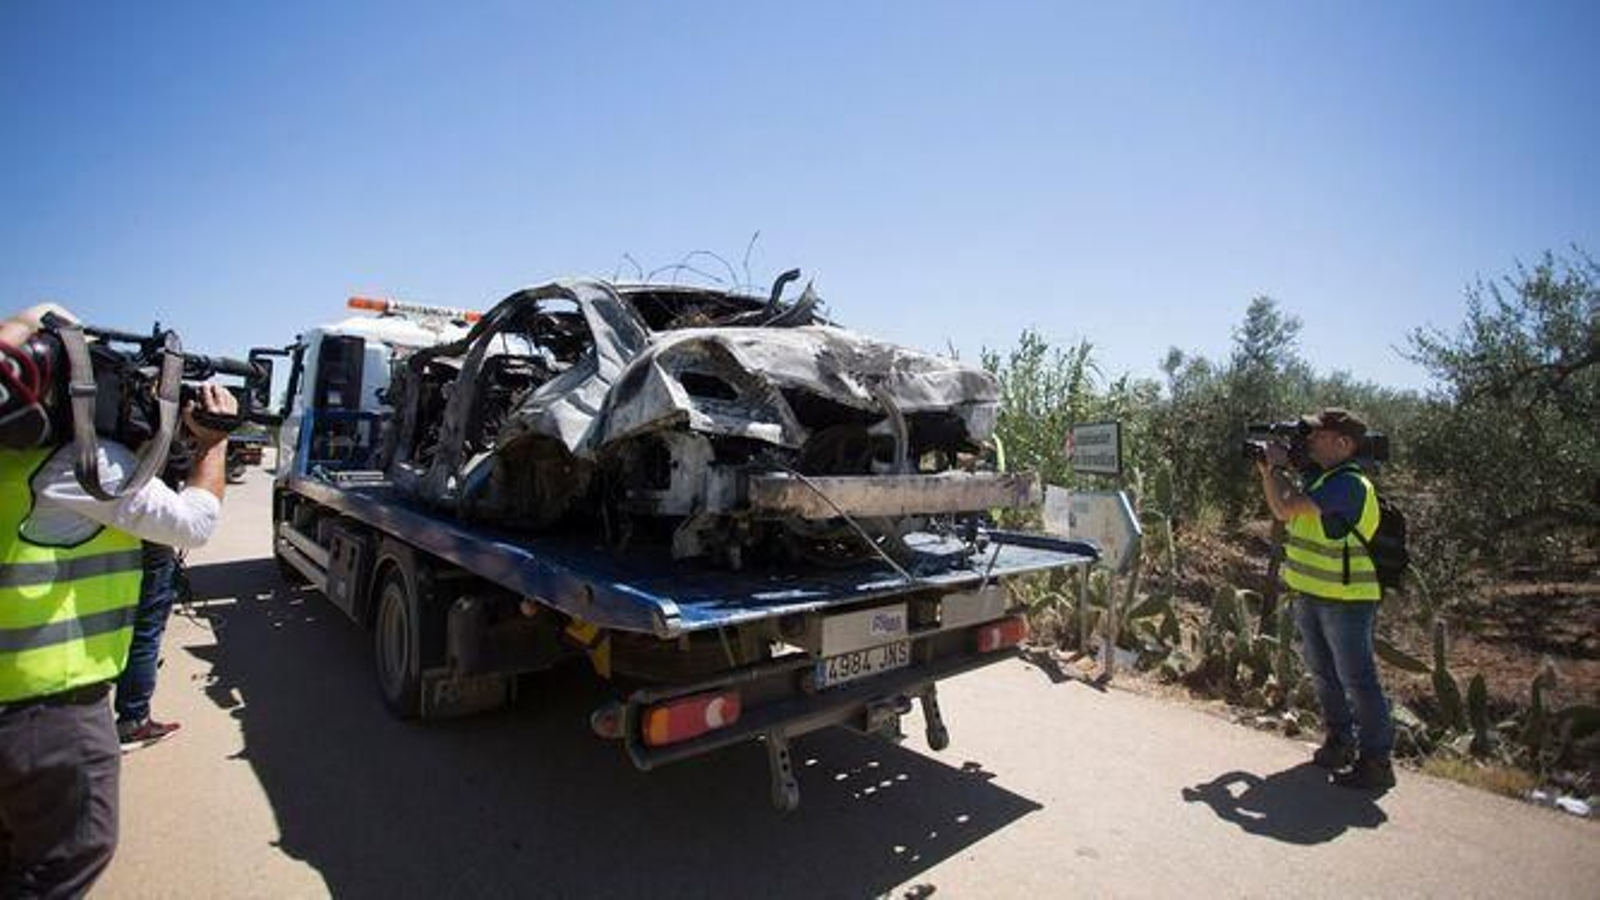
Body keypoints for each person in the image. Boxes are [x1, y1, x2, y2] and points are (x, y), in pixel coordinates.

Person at [0, 304, 236, 897]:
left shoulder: (18, 462)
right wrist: (212, 445)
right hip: (45, 711)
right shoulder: (86, 465)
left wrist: (40, 320)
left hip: (21, 709)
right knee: (68, 858)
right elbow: (195, 523)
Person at [1256, 407, 1396, 791]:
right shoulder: (1322, 479)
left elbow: (1287, 505)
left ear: (1344, 443)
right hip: (1312, 593)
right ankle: (1339, 742)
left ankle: (1377, 759)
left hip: (1347, 598)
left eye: (1318, 435)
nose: (1310, 440)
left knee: (1358, 679)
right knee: (1323, 674)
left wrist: (1277, 468)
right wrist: (1270, 470)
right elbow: (1281, 511)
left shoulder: (1349, 484)